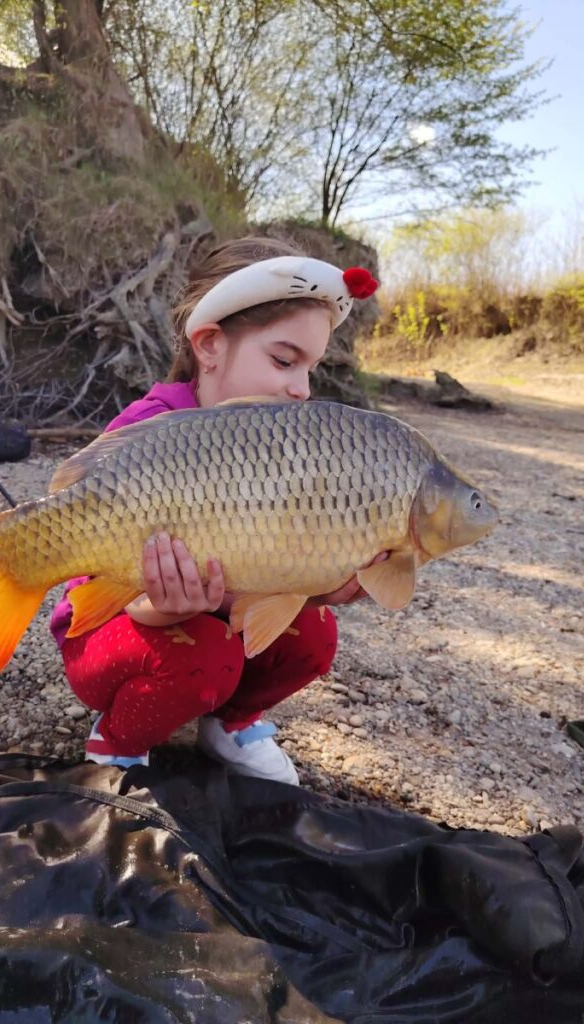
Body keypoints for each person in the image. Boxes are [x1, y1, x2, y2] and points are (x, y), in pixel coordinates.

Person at [49, 236, 378, 784]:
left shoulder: (289, 445)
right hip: (112, 625)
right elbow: (97, 597)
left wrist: (320, 583)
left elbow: (269, 568)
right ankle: (118, 740)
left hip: (214, 620)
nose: (301, 389)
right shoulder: (149, 429)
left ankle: (230, 722)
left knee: (315, 633)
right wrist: (165, 607)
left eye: (311, 369)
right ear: (209, 345)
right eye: (283, 360)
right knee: (202, 655)